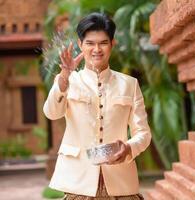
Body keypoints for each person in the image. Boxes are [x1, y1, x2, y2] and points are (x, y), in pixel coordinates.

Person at [43, 12, 151, 199]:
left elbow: (143, 133)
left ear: (112, 44)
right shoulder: (68, 81)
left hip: (121, 183)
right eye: (90, 43)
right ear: (80, 45)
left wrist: (128, 148)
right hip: (78, 184)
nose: (96, 49)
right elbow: (51, 113)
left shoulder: (129, 84)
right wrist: (63, 77)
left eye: (103, 43)